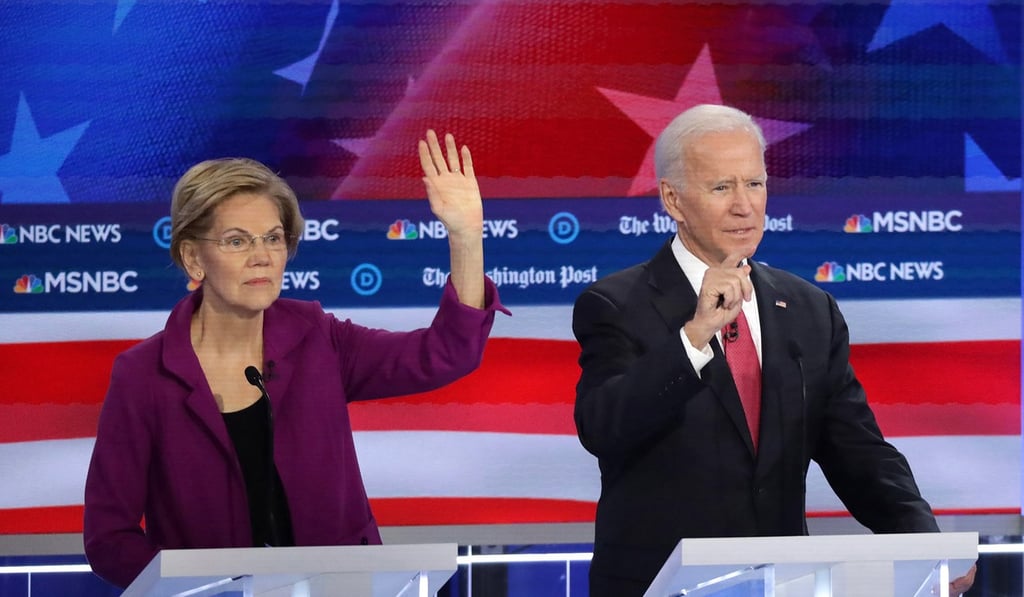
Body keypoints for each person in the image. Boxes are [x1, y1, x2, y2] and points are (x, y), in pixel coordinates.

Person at [572, 104, 975, 596]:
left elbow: (858, 451)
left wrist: (922, 544)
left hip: (783, 582)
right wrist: (694, 338)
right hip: (658, 584)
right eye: (722, 187)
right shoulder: (615, 304)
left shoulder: (809, 308)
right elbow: (604, 427)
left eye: (755, 184)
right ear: (673, 200)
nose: (745, 205)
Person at [83, 130, 509, 589]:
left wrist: (466, 237)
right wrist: (188, 590)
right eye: (237, 241)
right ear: (193, 258)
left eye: (273, 238)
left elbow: (446, 354)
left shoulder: (316, 337)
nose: (262, 257)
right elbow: (109, 536)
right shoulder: (145, 375)